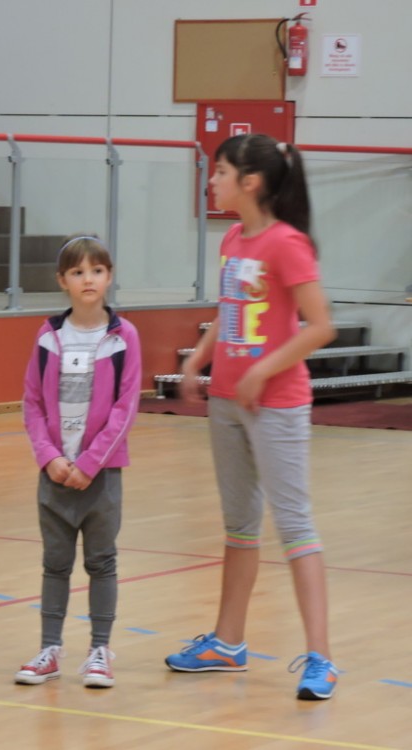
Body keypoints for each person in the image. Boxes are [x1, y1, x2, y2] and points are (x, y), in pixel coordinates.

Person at [163, 134, 339, 701]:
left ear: (251, 182)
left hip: (276, 405)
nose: (212, 181)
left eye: (220, 172)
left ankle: (321, 658)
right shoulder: (234, 238)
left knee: (294, 526)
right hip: (227, 402)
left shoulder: (288, 244)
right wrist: (199, 358)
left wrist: (264, 370)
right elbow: (229, 311)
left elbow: (321, 325)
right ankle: (227, 642)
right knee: (239, 527)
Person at [14, 235, 141, 689]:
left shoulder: (124, 337)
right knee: (55, 564)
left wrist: (90, 462)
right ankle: (49, 649)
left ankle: (99, 651)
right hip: (55, 475)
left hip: (100, 476)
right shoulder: (48, 336)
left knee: (102, 562)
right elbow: (32, 402)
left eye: (97, 271)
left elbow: (126, 408)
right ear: (62, 280)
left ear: (109, 277)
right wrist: (49, 456)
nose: (88, 279)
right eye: (78, 272)